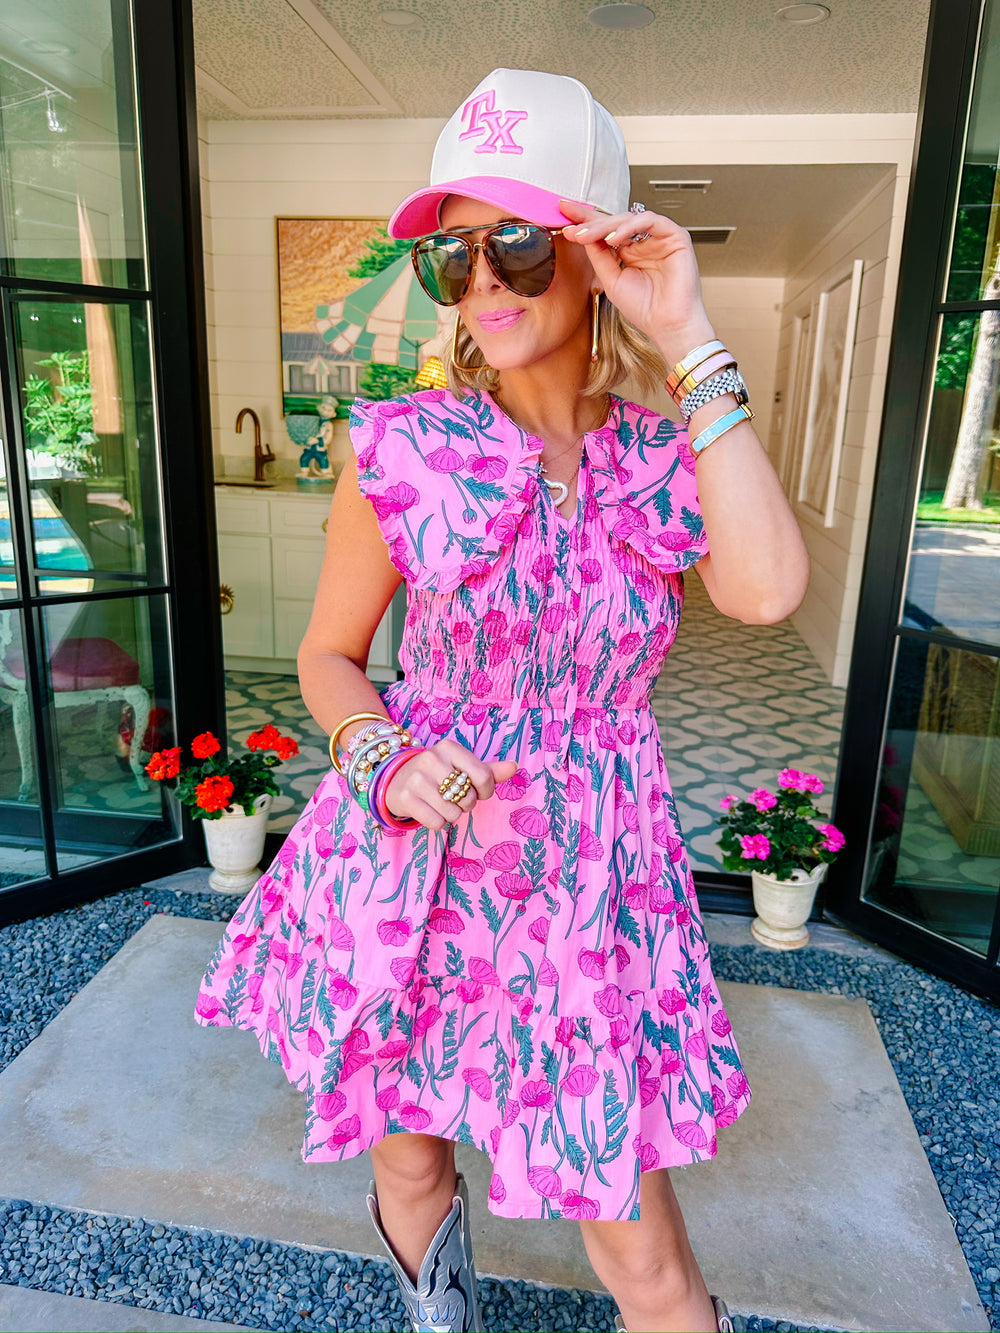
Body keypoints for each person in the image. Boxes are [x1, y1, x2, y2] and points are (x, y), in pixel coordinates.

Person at [194, 67, 809, 1333]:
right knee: (411, 1155)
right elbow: (328, 655)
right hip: (417, 867)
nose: (483, 279)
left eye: (517, 243)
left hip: (591, 884)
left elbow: (764, 592)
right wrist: (380, 756)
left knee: (643, 1249)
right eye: (453, 254)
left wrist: (687, 333)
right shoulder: (401, 447)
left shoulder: (665, 453)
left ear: (595, 246)